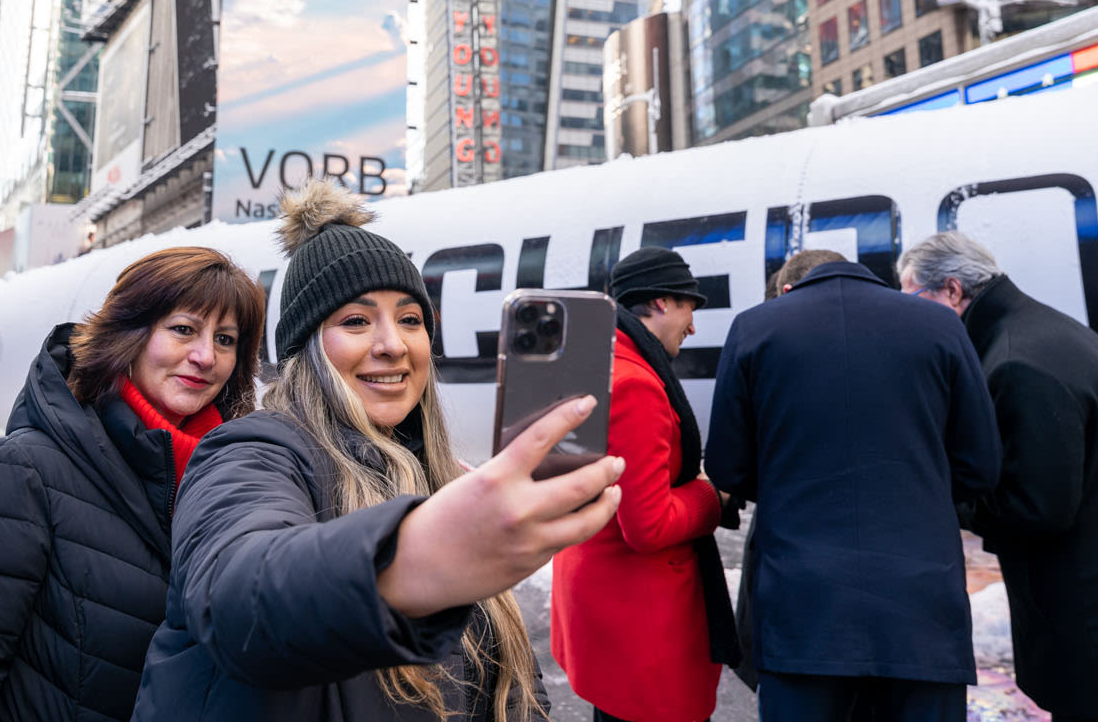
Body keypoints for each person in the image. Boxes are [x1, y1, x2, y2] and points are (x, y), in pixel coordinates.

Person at [132, 180, 624, 721]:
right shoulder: (252, 449)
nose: (392, 344)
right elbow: (235, 599)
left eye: (410, 319)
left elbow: (512, 690)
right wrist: (410, 557)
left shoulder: (442, 478)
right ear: (306, 348)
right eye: (356, 321)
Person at [0, 246, 267, 722]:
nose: (205, 356)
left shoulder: (234, 483)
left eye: (225, 339)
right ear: (127, 333)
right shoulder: (19, 474)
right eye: (183, 329)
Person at [899, 231, 1098, 722]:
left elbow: (1037, 509)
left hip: (1097, 632)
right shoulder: (1045, 331)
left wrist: (946, 492)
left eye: (914, 302)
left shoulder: (1016, 364)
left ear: (951, 290)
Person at [706, 249, 1001, 722]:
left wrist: (787, 483)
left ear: (787, 289)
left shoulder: (755, 328)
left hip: (804, 610)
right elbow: (981, 465)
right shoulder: (940, 325)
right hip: (921, 612)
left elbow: (727, 465)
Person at [551, 247, 740, 722]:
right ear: (660, 303)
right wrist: (710, 496)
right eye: (689, 309)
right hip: (641, 623)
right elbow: (649, 525)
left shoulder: (597, 361)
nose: (692, 326)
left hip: (606, 603)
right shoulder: (634, 383)